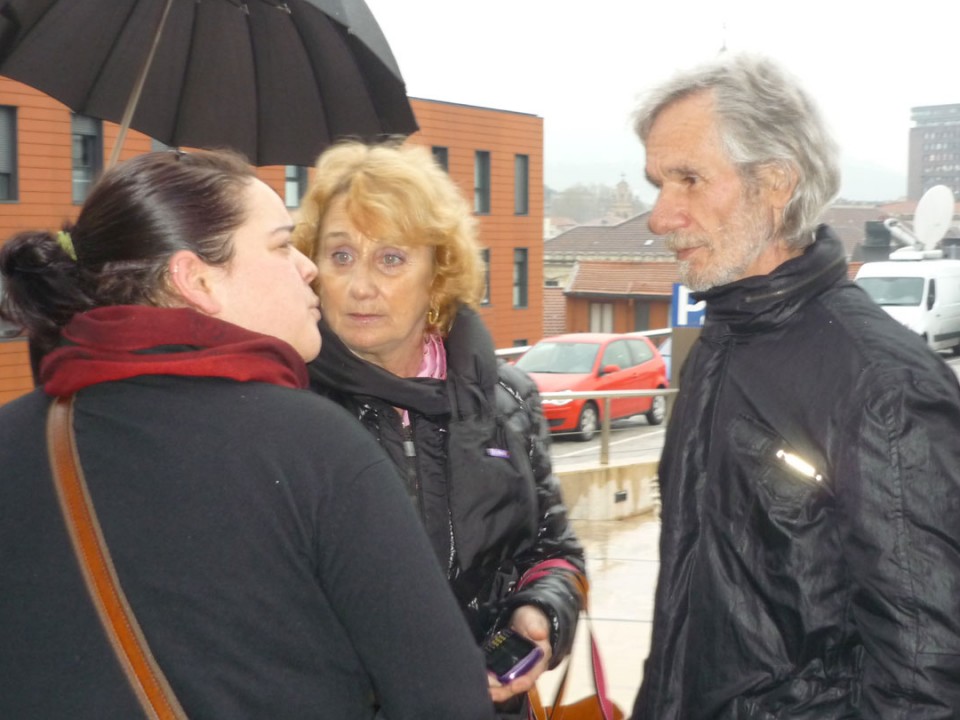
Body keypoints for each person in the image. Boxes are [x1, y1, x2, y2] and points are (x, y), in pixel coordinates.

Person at [0, 149, 497, 720]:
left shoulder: (13, 439)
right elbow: (448, 702)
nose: (307, 267)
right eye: (282, 246)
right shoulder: (316, 449)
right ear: (196, 280)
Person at [631, 54, 960, 719]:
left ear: (776, 182)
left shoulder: (881, 384)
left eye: (688, 179)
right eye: (658, 184)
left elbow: (927, 677)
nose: (661, 217)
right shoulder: (717, 347)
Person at [294, 140, 586, 718]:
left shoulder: (508, 397)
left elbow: (553, 549)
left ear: (438, 273)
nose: (359, 286)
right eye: (341, 255)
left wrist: (543, 612)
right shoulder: (289, 408)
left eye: (391, 259)